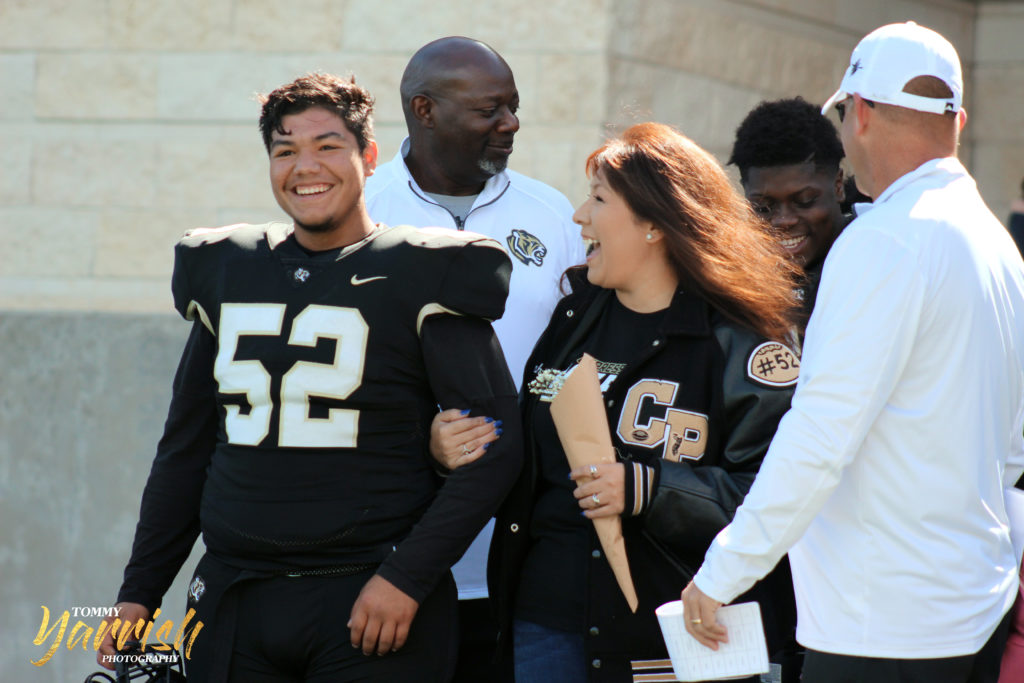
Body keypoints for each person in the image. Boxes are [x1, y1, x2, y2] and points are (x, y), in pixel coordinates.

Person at [96, 72, 522, 682]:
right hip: (233, 596)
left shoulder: (428, 270)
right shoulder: (227, 268)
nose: (305, 167)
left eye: (327, 146)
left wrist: (408, 577)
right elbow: (186, 450)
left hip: (368, 597)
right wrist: (140, 591)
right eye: (285, 150)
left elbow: (496, 449)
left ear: (368, 157)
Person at [683, 22, 1024, 683]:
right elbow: (1011, 448)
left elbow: (819, 434)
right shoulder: (996, 245)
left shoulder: (884, 240)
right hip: (974, 608)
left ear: (859, 113)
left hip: (884, 625)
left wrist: (722, 572)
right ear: (958, 119)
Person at [436, 121, 800, 682]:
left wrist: (647, 488)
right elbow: (528, 457)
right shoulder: (574, 315)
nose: (580, 216)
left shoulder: (743, 342)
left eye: (599, 199)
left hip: (678, 634)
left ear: (655, 223)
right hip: (543, 623)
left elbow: (780, 496)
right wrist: (454, 445)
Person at [364, 36, 583, 680]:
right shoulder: (363, 210)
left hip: (525, 562)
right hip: (391, 568)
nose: (510, 124)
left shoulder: (554, 214)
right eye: (490, 110)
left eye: (513, 107)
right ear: (425, 111)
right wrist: (420, 437)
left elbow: (580, 366)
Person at [729, 96, 848, 328]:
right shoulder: (733, 285)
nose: (784, 220)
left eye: (804, 201)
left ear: (838, 186)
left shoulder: (871, 264)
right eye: (763, 207)